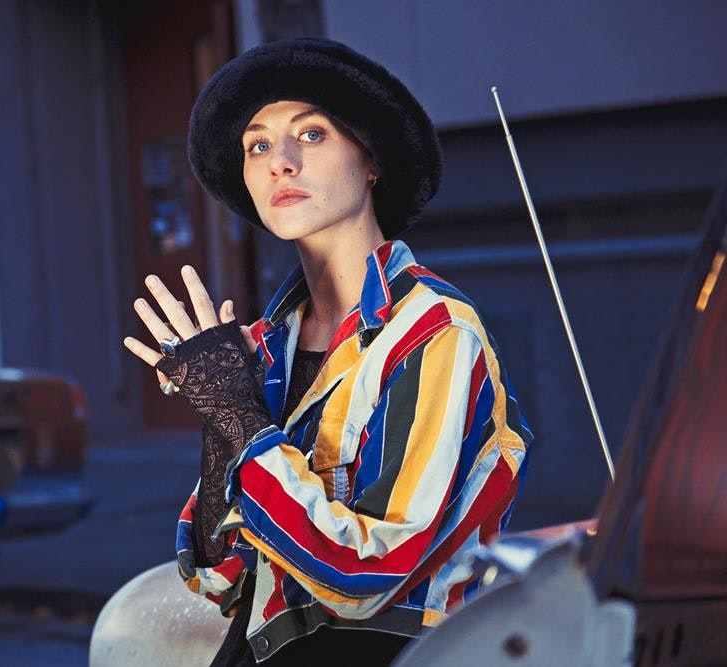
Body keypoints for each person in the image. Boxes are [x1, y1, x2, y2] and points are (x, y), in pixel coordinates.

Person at [123, 38, 532, 666]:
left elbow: (364, 577)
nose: (279, 162)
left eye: (310, 136)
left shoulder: (436, 333)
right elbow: (220, 579)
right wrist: (220, 418)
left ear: (370, 161)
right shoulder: (266, 347)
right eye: (257, 145)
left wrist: (240, 416)